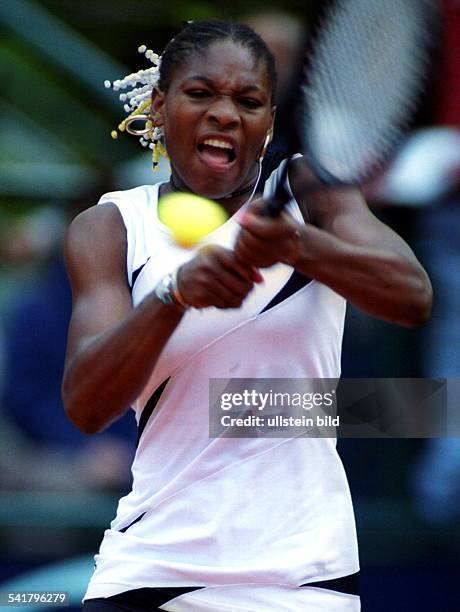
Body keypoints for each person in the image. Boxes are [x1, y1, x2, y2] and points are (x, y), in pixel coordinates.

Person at [62, 20, 432, 612]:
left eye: (248, 101)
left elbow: (413, 297)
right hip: (153, 571)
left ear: (269, 124)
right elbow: (86, 404)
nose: (224, 114)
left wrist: (295, 247)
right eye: (200, 93)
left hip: (304, 576)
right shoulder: (111, 227)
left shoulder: (310, 192)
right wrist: (173, 297)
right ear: (160, 106)